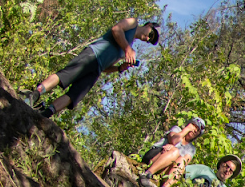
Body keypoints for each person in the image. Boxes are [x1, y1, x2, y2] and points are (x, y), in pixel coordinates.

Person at [21, 16, 161, 119]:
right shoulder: (133, 23)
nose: (148, 38)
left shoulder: (129, 46)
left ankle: (45, 114)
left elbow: (106, 68)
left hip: (97, 69)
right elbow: (116, 29)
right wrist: (127, 49)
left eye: (150, 40)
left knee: (74, 95)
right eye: (151, 34)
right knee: (65, 76)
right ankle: (34, 95)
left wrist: (119, 68)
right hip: (93, 54)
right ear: (148, 25)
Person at [136, 117, 206, 187]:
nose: (195, 130)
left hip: (165, 170)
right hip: (155, 157)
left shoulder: (191, 149)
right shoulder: (177, 130)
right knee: (175, 151)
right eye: (194, 126)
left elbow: (185, 162)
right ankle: (147, 174)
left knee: (182, 161)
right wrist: (186, 130)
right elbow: (174, 140)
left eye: (198, 130)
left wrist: (174, 150)